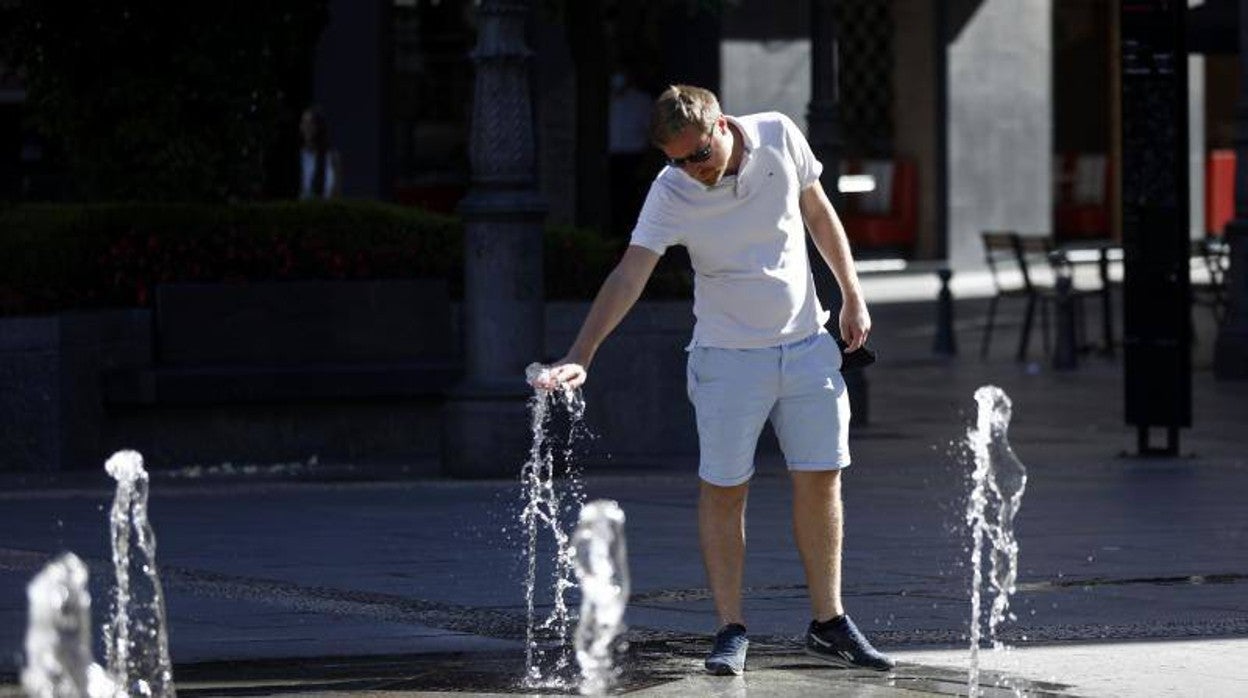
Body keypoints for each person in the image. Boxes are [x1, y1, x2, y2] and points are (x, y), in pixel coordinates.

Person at [532, 85, 894, 675]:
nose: (691, 171)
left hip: (806, 345)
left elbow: (817, 211)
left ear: (721, 125)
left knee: (822, 480)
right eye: (675, 160)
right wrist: (582, 353)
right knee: (726, 488)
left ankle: (829, 623)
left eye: (698, 156)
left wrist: (851, 294)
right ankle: (730, 628)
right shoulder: (672, 190)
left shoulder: (778, 133)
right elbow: (629, 275)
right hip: (727, 359)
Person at [299, 106, 342, 199]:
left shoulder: (331, 156)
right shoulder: (299, 156)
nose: (307, 128)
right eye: (304, 123)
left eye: (311, 124)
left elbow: (336, 190)